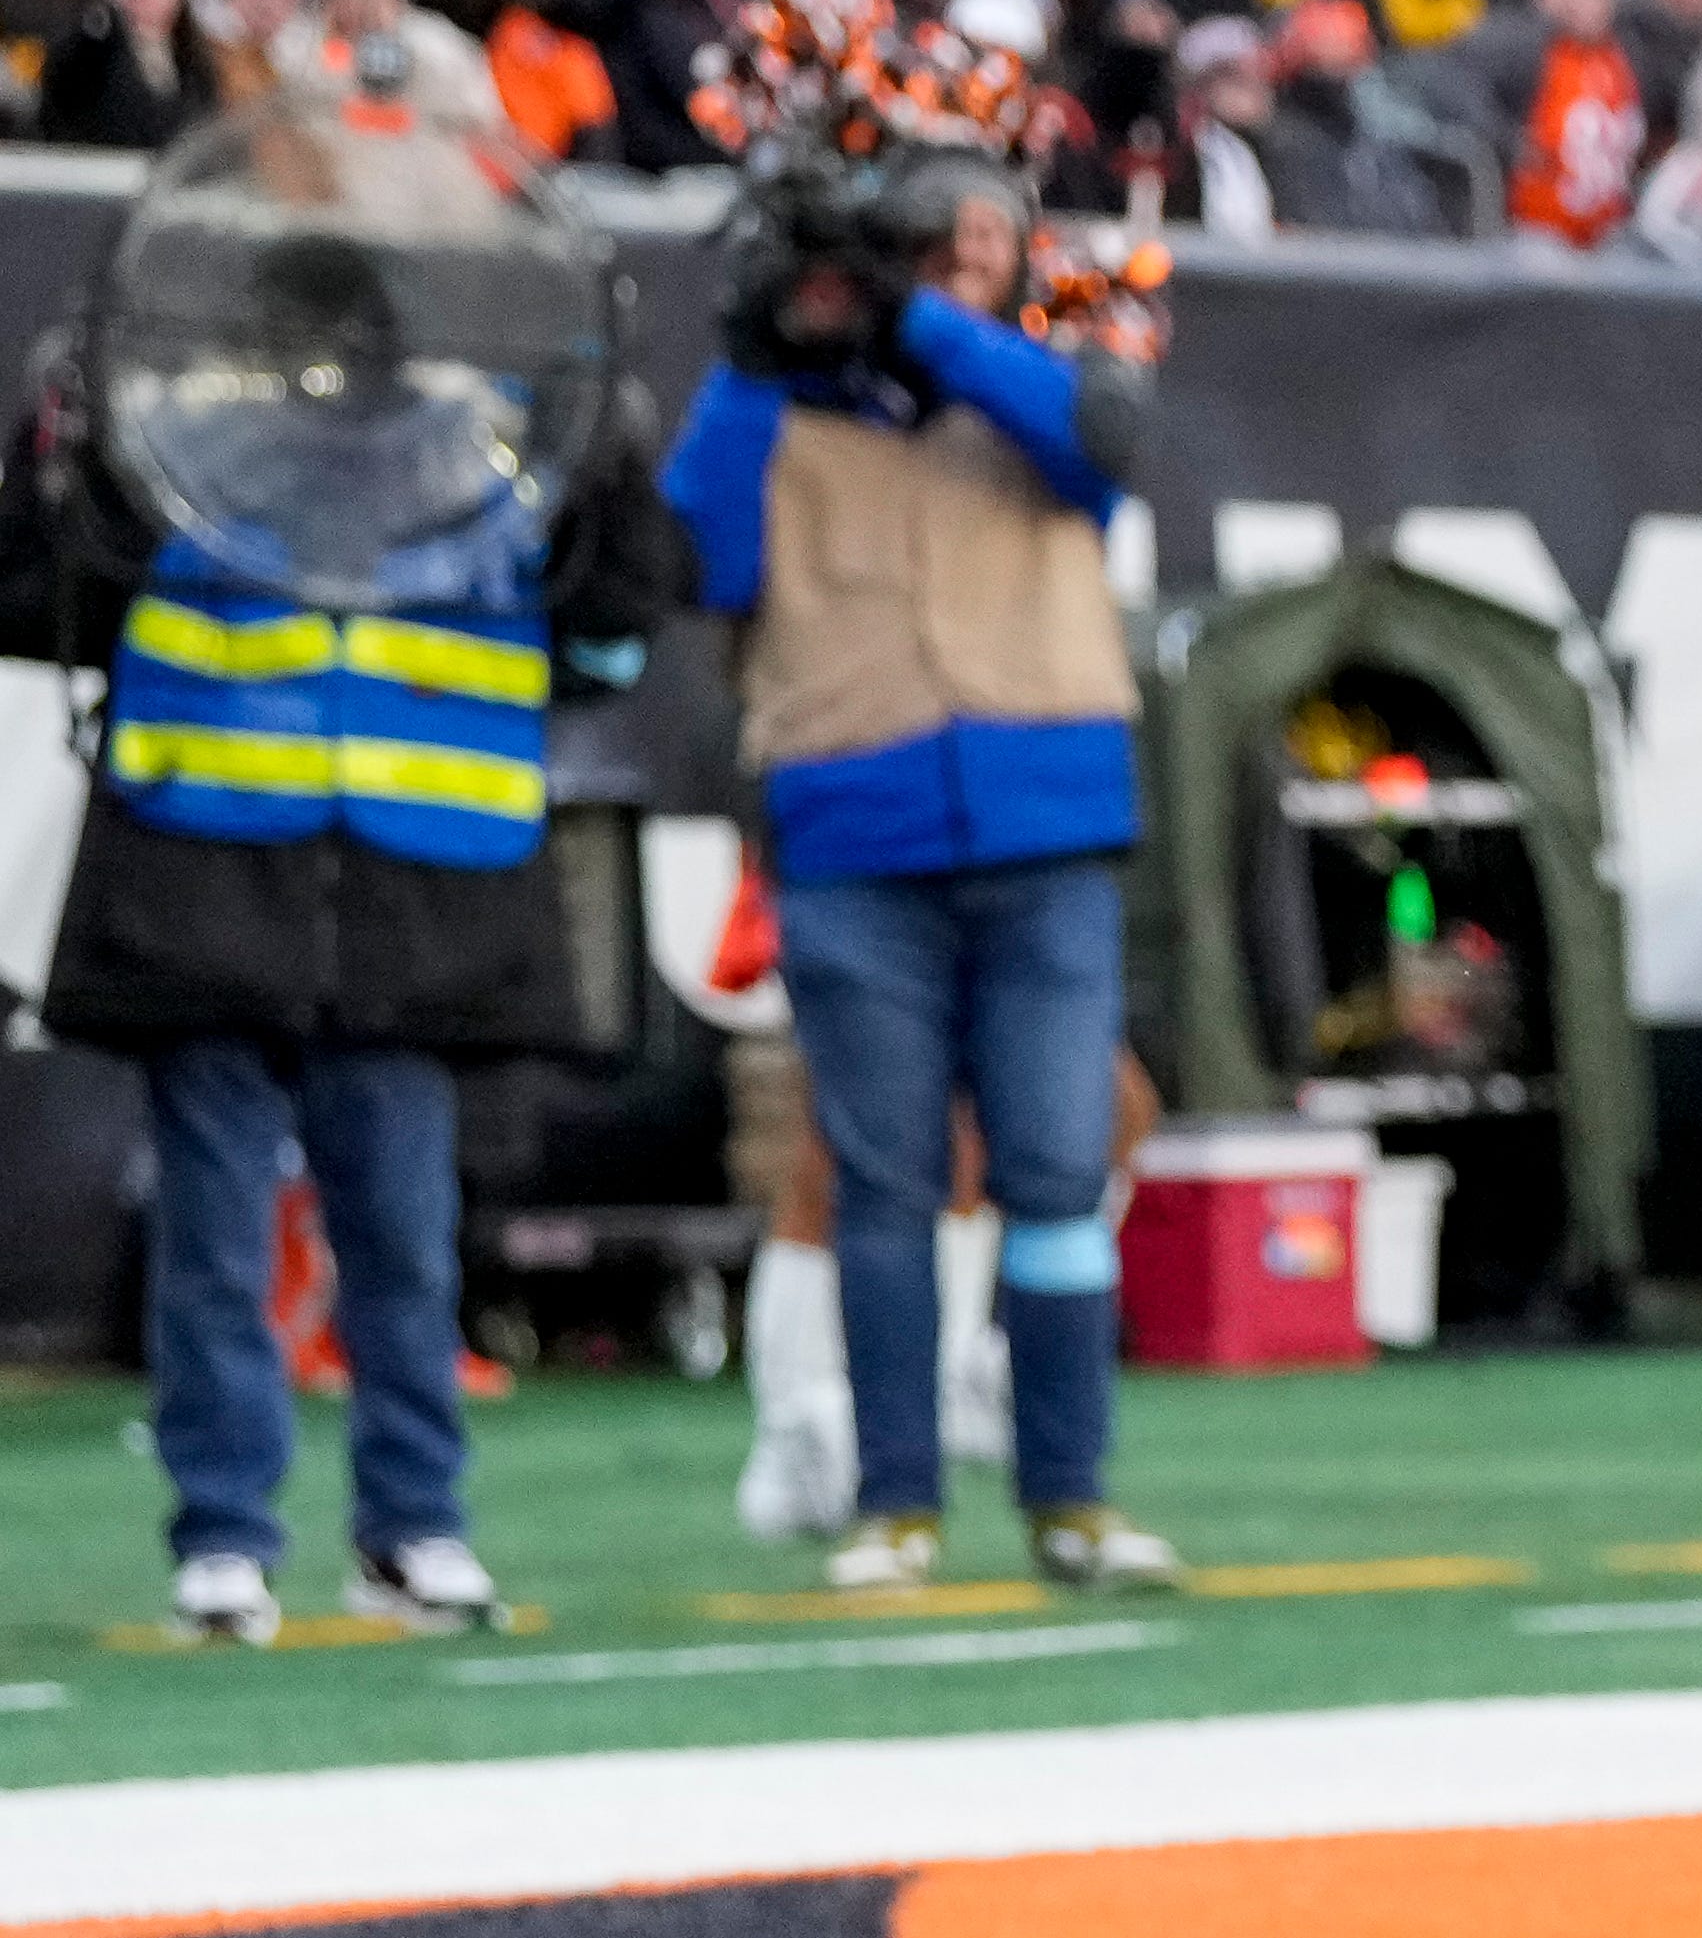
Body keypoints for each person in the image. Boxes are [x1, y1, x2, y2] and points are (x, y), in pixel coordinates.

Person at [0, 114, 688, 1637]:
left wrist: (616, 465)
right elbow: (30, 600)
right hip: (216, 885)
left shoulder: (489, 462)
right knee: (225, 1241)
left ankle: (408, 1528)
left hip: (405, 900)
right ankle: (230, 1536)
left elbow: (617, 617)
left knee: (396, 1240)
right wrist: (54, 452)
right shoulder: (176, 454)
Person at [663, 135, 1186, 1586]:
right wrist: (756, 347)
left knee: (1057, 1166)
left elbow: (1095, 440)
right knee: (882, 1176)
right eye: (931, 250)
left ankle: (1070, 1494)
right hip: (855, 837)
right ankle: (895, 1500)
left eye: (986, 247)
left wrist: (917, 324)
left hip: (1043, 834)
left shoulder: (1035, 384)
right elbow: (700, 554)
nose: (965, 269)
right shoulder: (779, 409)